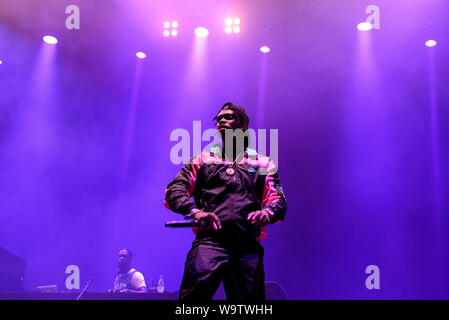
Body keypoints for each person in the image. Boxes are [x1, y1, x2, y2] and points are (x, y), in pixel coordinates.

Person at [164, 102, 287, 300]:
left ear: (243, 125)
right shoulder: (203, 159)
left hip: (247, 247)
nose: (221, 120)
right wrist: (195, 211)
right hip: (209, 244)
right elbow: (174, 190)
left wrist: (267, 213)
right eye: (219, 118)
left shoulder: (263, 163)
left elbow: (278, 201)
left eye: (228, 117)